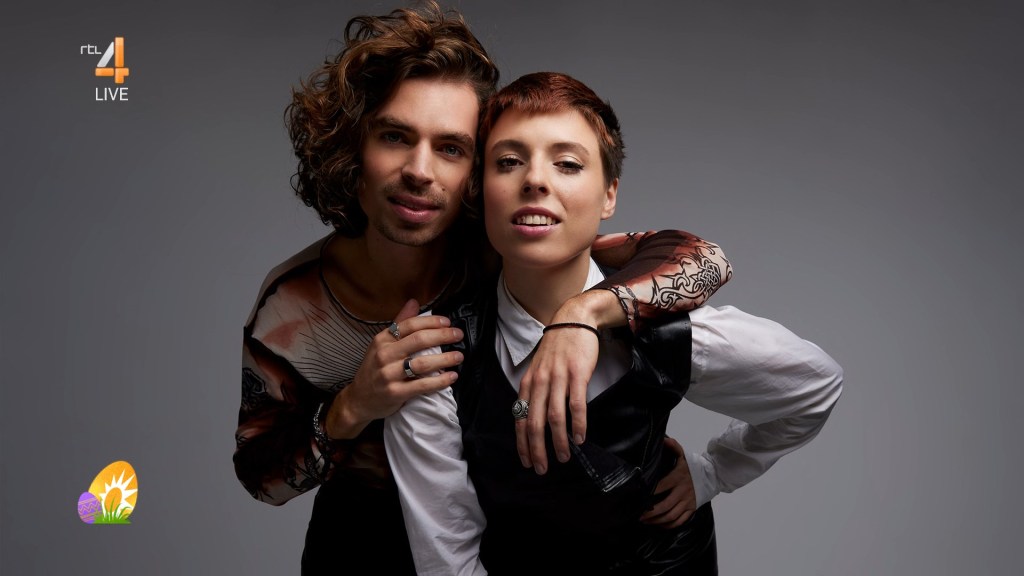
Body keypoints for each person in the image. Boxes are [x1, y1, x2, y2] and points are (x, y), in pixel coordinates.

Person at [232, 4, 732, 574]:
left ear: (477, 168)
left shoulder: (507, 247)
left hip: (505, 531)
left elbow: (705, 261)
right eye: (394, 136)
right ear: (353, 149)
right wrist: (354, 405)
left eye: (451, 148)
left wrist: (583, 314)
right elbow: (260, 479)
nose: (420, 170)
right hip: (364, 543)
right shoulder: (292, 307)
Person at [384, 72, 844, 574]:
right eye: (509, 161)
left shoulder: (669, 330)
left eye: (567, 164)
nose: (535, 180)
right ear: (480, 190)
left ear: (609, 195)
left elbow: (813, 385)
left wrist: (713, 471)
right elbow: (448, 561)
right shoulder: (436, 351)